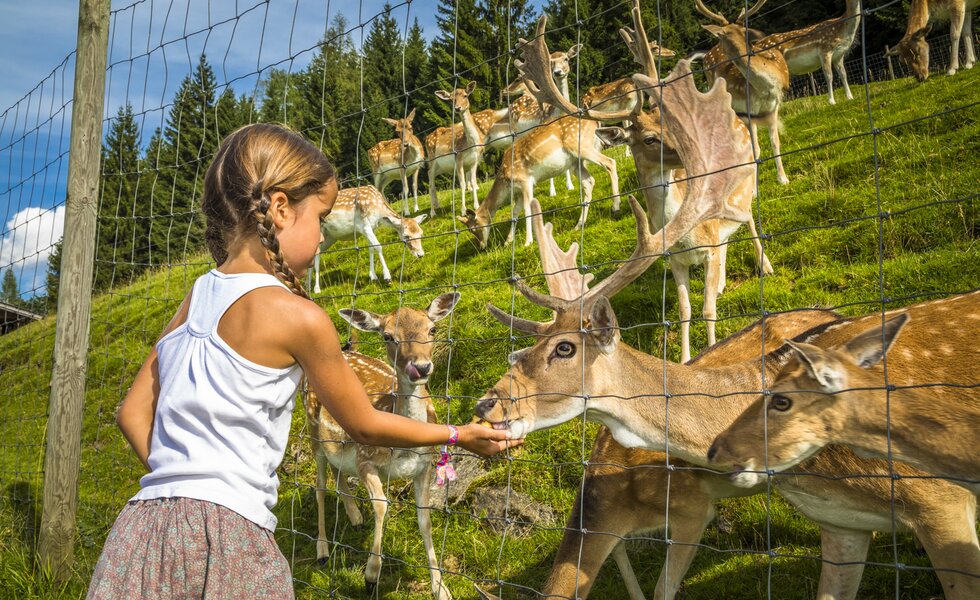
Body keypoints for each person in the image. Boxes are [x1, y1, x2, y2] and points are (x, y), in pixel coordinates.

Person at [87, 123, 520, 599]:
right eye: (320, 217)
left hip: (141, 530)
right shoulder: (300, 316)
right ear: (278, 208)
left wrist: (187, 491)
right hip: (229, 536)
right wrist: (458, 435)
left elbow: (131, 414)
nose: (322, 237)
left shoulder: (195, 295)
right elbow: (366, 426)